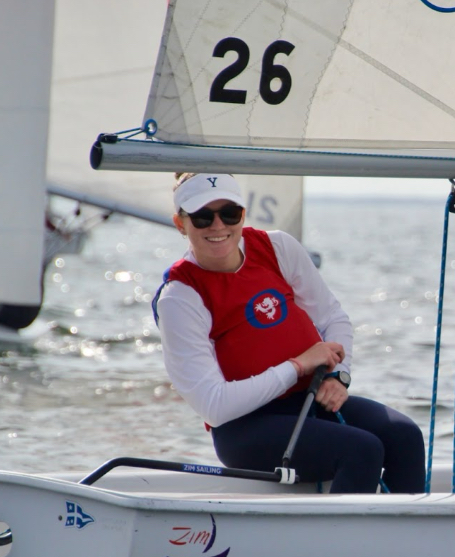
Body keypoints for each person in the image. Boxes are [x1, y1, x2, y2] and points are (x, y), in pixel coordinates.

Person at [152, 172, 425, 493]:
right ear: (180, 223)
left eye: (229, 213)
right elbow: (215, 405)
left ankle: (403, 538)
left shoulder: (277, 247)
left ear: (242, 214)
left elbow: (333, 318)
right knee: (361, 449)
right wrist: (298, 366)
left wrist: (339, 377)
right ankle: (344, 543)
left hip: (310, 402)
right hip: (245, 427)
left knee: (405, 435)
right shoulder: (180, 297)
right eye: (201, 217)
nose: (218, 226)